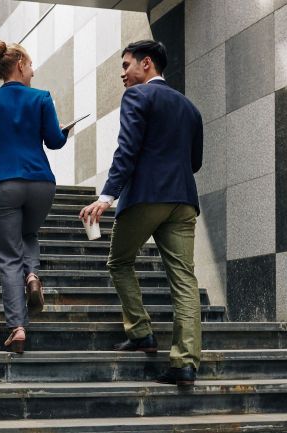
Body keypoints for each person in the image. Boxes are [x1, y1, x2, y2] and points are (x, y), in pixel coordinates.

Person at [79, 40, 204, 386]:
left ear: (146, 64)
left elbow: (127, 150)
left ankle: (141, 331)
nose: (122, 74)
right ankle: (185, 363)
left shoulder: (137, 97)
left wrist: (106, 197)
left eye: (125, 65)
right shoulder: (190, 108)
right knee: (184, 280)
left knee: (119, 262)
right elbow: (195, 162)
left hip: (147, 196)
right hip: (183, 200)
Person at [0, 40, 71, 353]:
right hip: (40, 183)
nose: (33, 71)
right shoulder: (41, 98)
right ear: (20, 64)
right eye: (31, 65)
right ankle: (32, 273)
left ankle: (17, 328)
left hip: (2, 183)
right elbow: (55, 141)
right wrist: (65, 131)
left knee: (8, 257)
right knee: (29, 233)